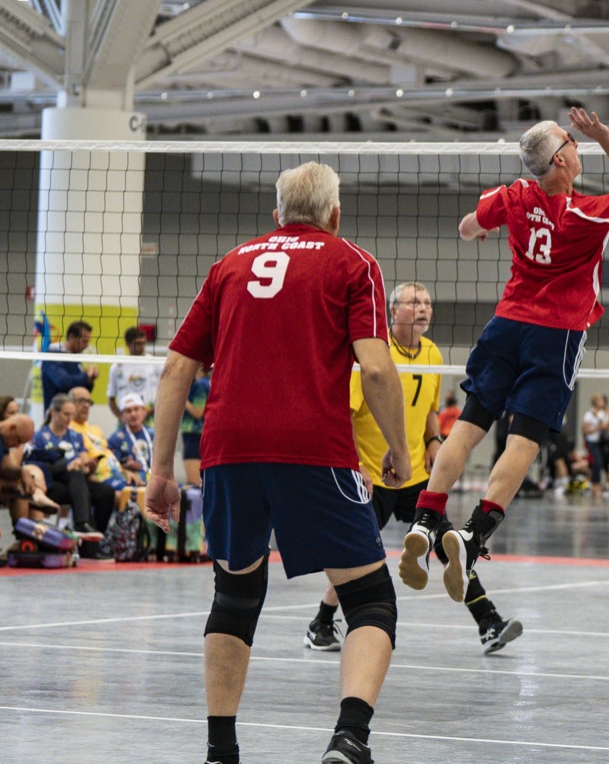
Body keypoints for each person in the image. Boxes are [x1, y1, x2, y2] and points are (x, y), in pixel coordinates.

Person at [145, 161, 410, 764]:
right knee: (370, 599)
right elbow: (375, 368)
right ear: (335, 215)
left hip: (228, 450)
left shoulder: (230, 265)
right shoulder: (353, 262)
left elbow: (176, 368)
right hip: (312, 448)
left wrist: (160, 472)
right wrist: (399, 450)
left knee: (235, 595)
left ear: (277, 215)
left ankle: (220, 749)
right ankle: (349, 737)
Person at [399, 108, 609, 603]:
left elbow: (466, 227)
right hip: (555, 335)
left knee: (469, 425)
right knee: (525, 442)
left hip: (506, 325)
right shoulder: (583, 213)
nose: (578, 147)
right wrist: (604, 136)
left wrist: (482, 229)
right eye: (572, 142)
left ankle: (426, 519)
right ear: (560, 159)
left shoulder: (515, 196)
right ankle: (472, 536)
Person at [307, 282, 522, 657]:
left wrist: (434, 440)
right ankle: (321, 623)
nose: (423, 308)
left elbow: (428, 409)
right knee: (358, 553)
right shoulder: (374, 354)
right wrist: (356, 464)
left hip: (416, 476)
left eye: (427, 303)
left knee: (449, 544)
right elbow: (345, 414)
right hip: (373, 474)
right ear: (394, 311)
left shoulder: (433, 353)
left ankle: (488, 622)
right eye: (414, 302)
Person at [25, 394, 112, 544]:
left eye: (72, 415)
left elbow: (84, 465)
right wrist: (66, 465)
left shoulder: (75, 436)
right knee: (78, 484)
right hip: (51, 483)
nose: (69, 419)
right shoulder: (40, 436)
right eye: (66, 414)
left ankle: (96, 537)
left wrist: (89, 467)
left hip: (76, 483)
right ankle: (82, 525)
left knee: (105, 492)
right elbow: (38, 467)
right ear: (54, 412)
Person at [108, 326, 162, 424]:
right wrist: (121, 417)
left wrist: (148, 412)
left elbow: (164, 393)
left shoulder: (155, 363)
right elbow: (111, 398)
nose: (141, 347)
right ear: (128, 344)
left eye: (143, 343)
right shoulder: (117, 367)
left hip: (150, 417)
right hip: (126, 418)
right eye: (137, 343)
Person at [40, 320, 98, 407]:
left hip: (74, 412)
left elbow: (80, 390)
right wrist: (86, 375)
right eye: (84, 341)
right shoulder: (52, 357)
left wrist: (90, 379)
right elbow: (63, 383)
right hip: (57, 411)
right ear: (71, 337)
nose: (86, 345)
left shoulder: (74, 358)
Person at [108, 393, 154, 485]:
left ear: (144, 412)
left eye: (136, 409)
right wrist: (125, 467)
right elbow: (112, 468)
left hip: (156, 478)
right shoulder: (116, 439)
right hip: (133, 481)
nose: (133, 414)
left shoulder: (154, 434)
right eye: (128, 411)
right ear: (122, 415)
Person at [180, 365, 210, 486]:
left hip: (194, 434)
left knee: (194, 483)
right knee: (195, 481)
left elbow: (198, 412)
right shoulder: (204, 383)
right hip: (197, 434)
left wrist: (181, 398)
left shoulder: (200, 385)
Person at [581, 393, 609, 498]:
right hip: (592, 441)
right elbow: (586, 430)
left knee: (603, 462)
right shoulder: (589, 414)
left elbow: (608, 424)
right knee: (597, 461)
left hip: (601, 442)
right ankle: (595, 484)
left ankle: (601, 484)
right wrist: (598, 427)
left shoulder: (603, 413)